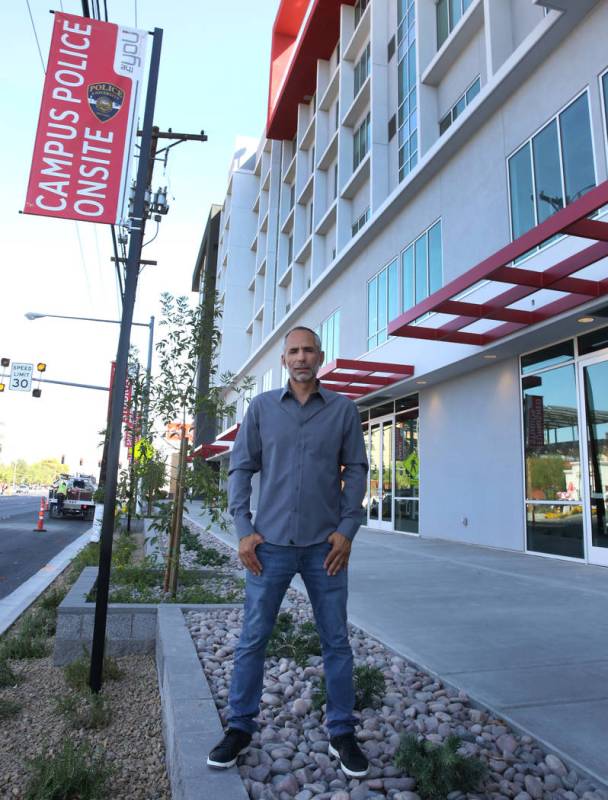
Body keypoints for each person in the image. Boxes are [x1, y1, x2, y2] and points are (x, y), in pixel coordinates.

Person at [207, 326, 370, 778]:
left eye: (308, 351)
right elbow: (240, 470)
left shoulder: (342, 410)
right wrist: (243, 529)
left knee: (336, 640)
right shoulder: (260, 409)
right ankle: (239, 728)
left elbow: (356, 469)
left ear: (320, 357)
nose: (301, 358)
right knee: (252, 639)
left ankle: (341, 731)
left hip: (326, 549)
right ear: (284, 360)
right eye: (293, 351)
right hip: (270, 547)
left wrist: (347, 529)